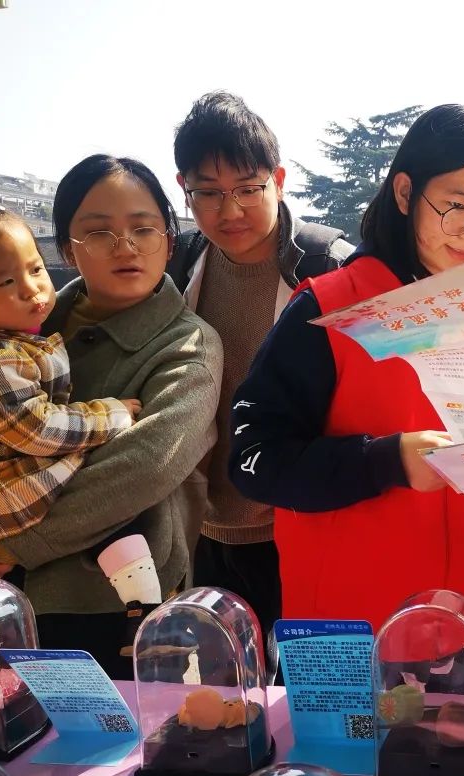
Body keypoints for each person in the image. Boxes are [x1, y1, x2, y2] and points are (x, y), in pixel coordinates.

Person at [228, 104, 464, 635]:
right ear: (405, 193)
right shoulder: (331, 310)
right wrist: (387, 460)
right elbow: (253, 459)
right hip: (344, 631)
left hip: (458, 626)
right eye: (455, 207)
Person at [0, 155, 223, 679]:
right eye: (98, 232)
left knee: (117, 754)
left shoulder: (188, 345)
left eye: (143, 228)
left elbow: (145, 467)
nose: (124, 245)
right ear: (66, 247)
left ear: (169, 240)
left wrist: (2, 543)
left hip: (107, 608)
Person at [0, 202, 166, 656]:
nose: (34, 291)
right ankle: (145, 607)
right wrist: (109, 415)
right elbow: (38, 431)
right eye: (7, 282)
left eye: (34, 269)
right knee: (96, 477)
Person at [165, 91, 353, 638]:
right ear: (184, 189)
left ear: (279, 178)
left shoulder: (328, 268)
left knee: (308, 697)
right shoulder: (176, 268)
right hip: (203, 532)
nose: (230, 211)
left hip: (303, 527)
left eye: (249, 189)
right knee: (224, 700)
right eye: (209, 193)